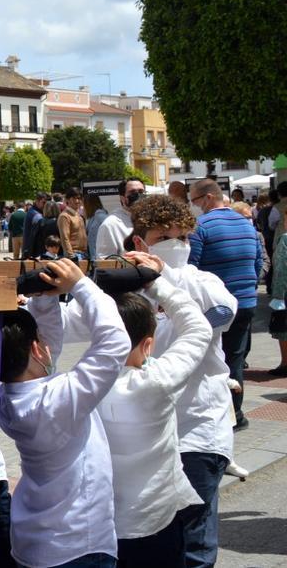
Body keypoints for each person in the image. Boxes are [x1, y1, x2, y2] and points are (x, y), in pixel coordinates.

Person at [62, 195, 236, 566]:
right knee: (148, 540)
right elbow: (67, 325)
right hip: (143, 440)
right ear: (140, 241)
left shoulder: (203, 280)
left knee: (194, 543)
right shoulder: (122, 294)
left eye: (184, 237)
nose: (178, 244)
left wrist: (162, 279)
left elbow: (219, 315)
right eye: (165, 236)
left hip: (197, 427)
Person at [0, 258, 130, 568]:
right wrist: (81, 286)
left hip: (34, 543)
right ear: (36, 349)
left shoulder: (6, 399)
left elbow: (47, 354)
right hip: (76, 547)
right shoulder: (59, 400)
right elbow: (114, 342)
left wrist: (43, 300)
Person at [95, 258, 212, 566]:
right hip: (155, 516)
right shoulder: (157, 380)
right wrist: (156, 284)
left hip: (99, 523)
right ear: (148, 344)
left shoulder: (80, 385)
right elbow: (198, 328)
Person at [188, 178, 261, 431]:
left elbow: (191, 269)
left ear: (207, 198)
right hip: (246, 302)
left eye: (194, 201)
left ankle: (217, 415)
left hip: (215, 308)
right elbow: (257, 264)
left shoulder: (201, 226)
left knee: (211, 360)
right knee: (236, 359)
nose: (193, 206)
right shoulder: (247, 224)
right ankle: (237, 415)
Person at [96, 179, 146, 259]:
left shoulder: (151, 220)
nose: (138, 195)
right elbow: (104, 260)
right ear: (122, 198)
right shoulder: (111, 224)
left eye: (141, 191)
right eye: (132, 192)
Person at [269, 232, 287, 377]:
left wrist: (278, 295)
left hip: (285, 292)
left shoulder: (286, 238)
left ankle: (285, 363)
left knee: (283, 328)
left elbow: (282, 267)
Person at [58, 188, 88, 259]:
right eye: (74, 198)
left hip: (84, 254)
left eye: (79, 198)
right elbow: (65, 238)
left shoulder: (79, 215)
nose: (77, 201)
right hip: (74, 254)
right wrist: (71, 256)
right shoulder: (64, 216)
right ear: (67, 200)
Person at [22, 193, 48, 259]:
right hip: (34, 252)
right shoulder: (36, 215)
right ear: (37, 201)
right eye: (43, 202)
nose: (45, 205)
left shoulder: (34, 212)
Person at [85, 194, 109, 261]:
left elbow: (93, 238)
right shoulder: (93, 218)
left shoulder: (100, 217)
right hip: (96, 256)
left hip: (99, 257)